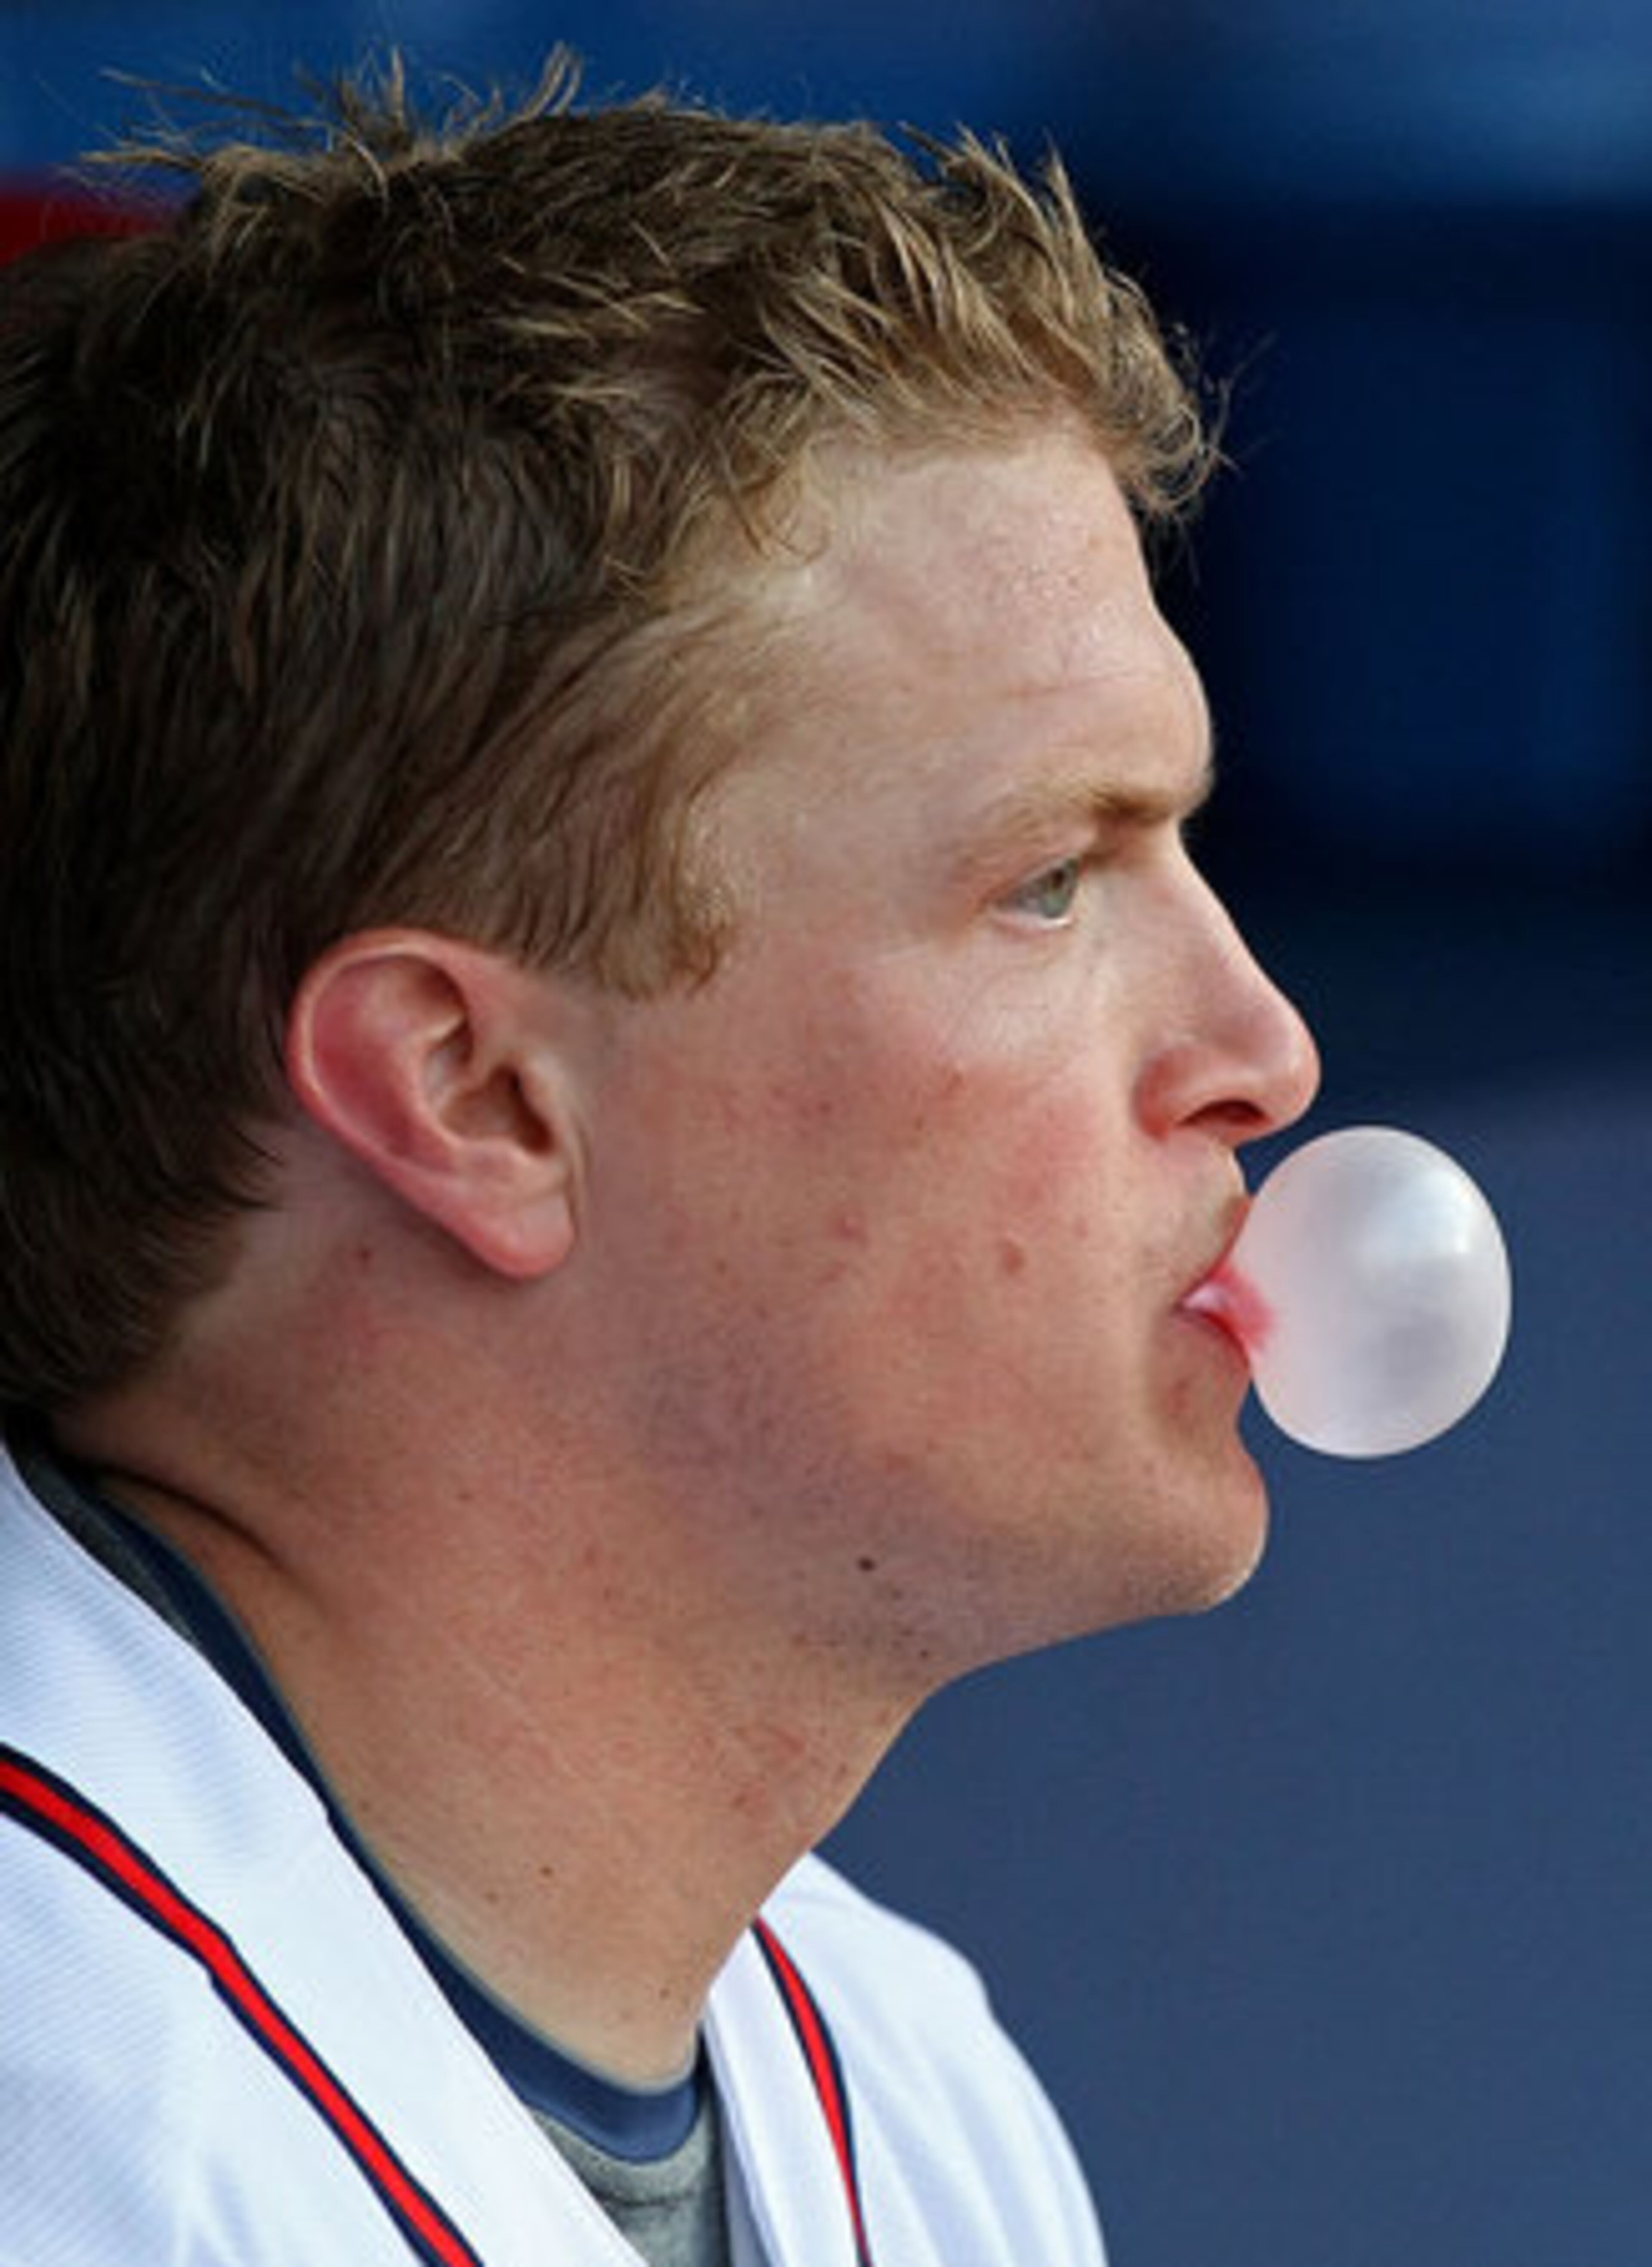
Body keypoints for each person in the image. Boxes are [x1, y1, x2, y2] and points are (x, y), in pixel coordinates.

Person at [0, 54, 1320, 2267]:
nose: (1261, 1051)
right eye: (1050, 884)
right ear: (478, 1096)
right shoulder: (68, 2140)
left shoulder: (905, 2091)